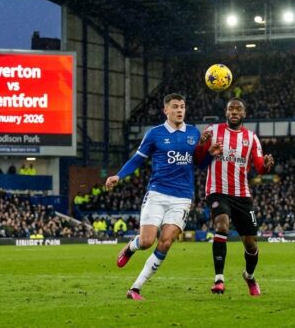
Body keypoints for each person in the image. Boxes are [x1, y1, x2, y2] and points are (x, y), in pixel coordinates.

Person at [106, 93, 206, 301]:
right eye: (175, 106)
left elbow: (200, 162)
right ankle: (130, 247)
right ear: (165, 110)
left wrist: (208, 151)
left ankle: (135, 288)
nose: (179, 110)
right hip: (157, 194)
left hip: (182, 198)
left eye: (182, 106)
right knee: (146, 242)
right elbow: (138, 159)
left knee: (165, 243)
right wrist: (119, 175)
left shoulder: (194, 133)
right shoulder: (155, 134)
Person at [195, 98, 274, 296]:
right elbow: (199, 160)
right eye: (231, 109)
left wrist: (266, 165)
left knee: (251, 244)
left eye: (238, 109)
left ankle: (249, 276)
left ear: (244, 114)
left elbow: (260, 168)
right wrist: (202, 146)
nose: (234, 112)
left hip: (242, 196)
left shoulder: (251, 138)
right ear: (226, 112)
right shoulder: (213, 131)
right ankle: (219, 279)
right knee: (221, 226)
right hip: (217, 191)